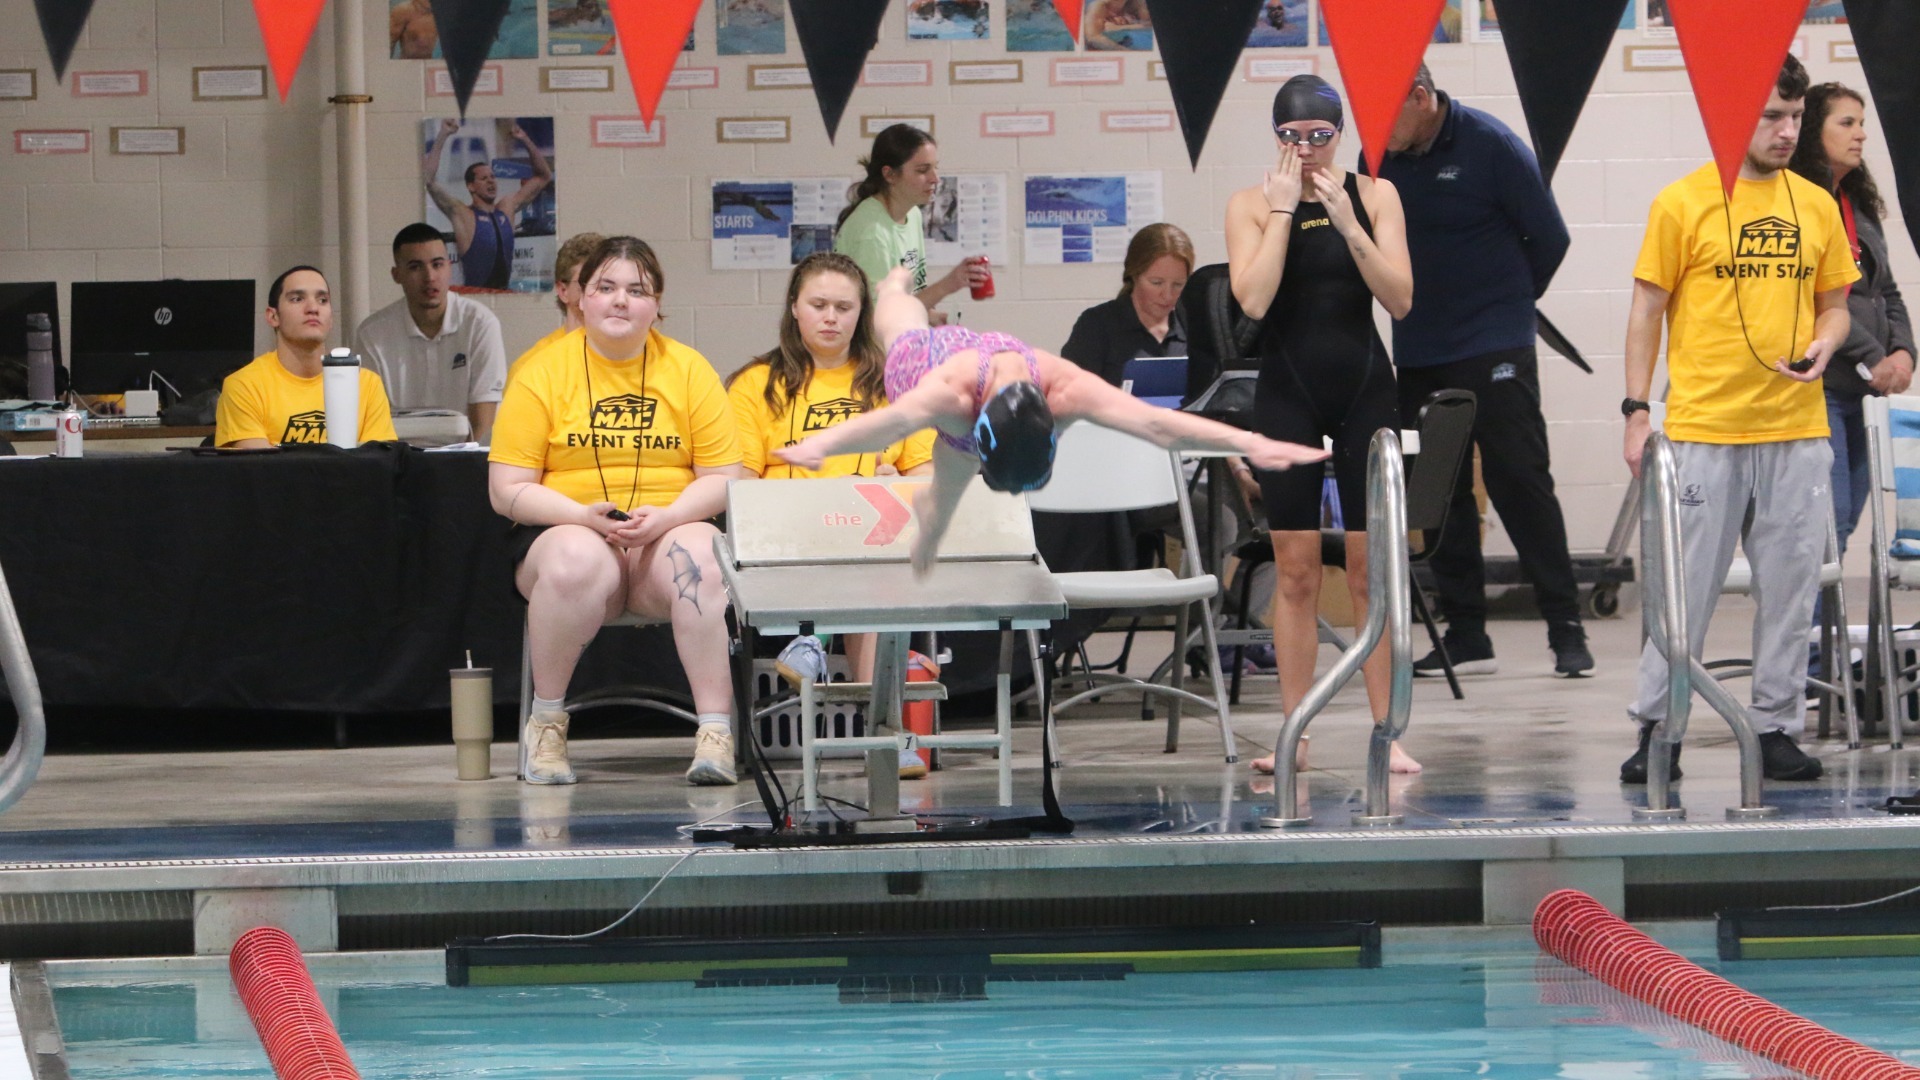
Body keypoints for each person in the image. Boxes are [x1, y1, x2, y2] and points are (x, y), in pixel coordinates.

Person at [1619, 55, 1855, 784]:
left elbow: (1837, 304)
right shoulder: (1682, 203)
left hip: (1796, 428)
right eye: (1771, 118)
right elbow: (1645, 312)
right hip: (1704, 430)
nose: (1787, 132)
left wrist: (1828, 341)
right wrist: (1635, 409)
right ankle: (1663, 725)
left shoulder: (1815, 205)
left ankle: (1775, 724)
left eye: (1794, 118)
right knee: (1681, 590)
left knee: (1788, 589)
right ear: (1732, 116)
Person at [775, 266, 1329, 577]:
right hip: (930, 364)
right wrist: (821, 445)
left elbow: (1161, 427)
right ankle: (893, 282)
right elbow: (888, 425)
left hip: (982, 419)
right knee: (898, 317)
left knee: (946, 487)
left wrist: (1253, 442)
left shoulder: (1064, 390)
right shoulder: (947, 393)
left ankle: (933, 523)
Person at [488, 236, 744, 787]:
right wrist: (580, 517)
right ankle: (547, 726)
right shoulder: (539, 371)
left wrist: (670, 516)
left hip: (664, 538)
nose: (621, 301)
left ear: (657, 304)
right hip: (570, 533)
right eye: (606, 287)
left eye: (637, 290)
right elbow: (505, 489)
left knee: (704, 556)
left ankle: (715, 733)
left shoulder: (690, 369)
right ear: (580, 298)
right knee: (575, 558)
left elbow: (726, 479)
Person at [1224, 76, 1419, 776]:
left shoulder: (1375, 195)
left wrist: (1347, 223)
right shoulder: (1250, 204)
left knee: (1371, 573)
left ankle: (1386, 732)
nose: (1305, 149)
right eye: (1290, 137)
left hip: (1365, 389)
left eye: (1319, 136)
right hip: (1288, 396)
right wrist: (1282, 214)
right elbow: (1251, 299)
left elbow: (1399, 299)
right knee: (1298, 573)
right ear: (1275, 136)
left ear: (1339, 134)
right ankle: (1295, 732)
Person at [1376, 64, 1591, 679]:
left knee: (1520, 482)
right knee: (1438, 495)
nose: (1376, 132)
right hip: (1420, 346)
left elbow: (1550, 238)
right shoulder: (1380, 156)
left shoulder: (1490, 144)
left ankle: (1565, 628)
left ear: (1421, 97)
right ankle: (1467, 633)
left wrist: (1508, 306)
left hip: (1494, 343)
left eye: (1386, 115)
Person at [729, 253, 938, 778]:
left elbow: (931, 474)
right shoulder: (754, 385)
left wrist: (901, 483)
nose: (830, 317)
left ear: (862, 313)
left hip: (872, 537)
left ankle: (821, 652)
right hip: (788, 541)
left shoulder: (896, 382)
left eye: (844, 307)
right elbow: (741, 487)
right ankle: (887, 732)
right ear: (794, 309)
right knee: (870, 570)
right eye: (818, 304)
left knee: (877, 566)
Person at [1788, 82, 1914, 555]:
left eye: (1862, 123)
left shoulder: (1856, 207)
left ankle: (1824, 629)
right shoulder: (1798, 202)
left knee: (1847, 521)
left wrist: (1903, 354)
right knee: (1829, 520)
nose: (1861, 134)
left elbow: (1887, 292)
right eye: (1847, 123)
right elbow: (1816, 300)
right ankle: (1815, 630)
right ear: (1812, 132)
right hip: (1824, 388)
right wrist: (1874, 356)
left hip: (1868, 388)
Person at [353, 223, 507, 444]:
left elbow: (483, 423)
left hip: (462, 460)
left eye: (437, 264)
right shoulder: (372, 335)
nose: (430, 277)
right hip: (397, 460)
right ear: (397, 275)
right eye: (416, 267)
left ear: (450, 267)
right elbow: (369, 422)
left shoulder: (481, 324)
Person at [215, 266, 398, 449]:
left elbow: (377, 466)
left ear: (331, 318)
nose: (313, 308)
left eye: (322, 300)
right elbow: (261, 469)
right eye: (297, 299)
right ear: (273, 316)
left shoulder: (368, 384)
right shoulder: (243, 386)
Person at [832, 124, 987, 319]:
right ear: (889, 175)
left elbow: (907, 297)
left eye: (935, 168)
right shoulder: (872, 234)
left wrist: (930, 317)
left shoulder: (912, 214)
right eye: (923, 170)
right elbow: (882, 317)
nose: (935, 179)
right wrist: (948, 284)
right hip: (869, 347)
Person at [424, 120, 553, 291]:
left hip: (505, 293)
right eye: (484, 179)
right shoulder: (462, 214)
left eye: (493, 177)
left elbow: (544, 176)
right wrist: (442, 135)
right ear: (471, 186)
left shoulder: (506, 209)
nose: (491, 181)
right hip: (477, 295)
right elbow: (428, 180)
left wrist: (525, 139)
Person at [1062, 223, 1193, 387]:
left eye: (1178, 284)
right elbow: (1071, 394)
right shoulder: (1097, 325)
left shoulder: (1193, 327)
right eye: (1156, 283)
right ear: (1134, 275)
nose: (1167, 295)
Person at [511, 231, 606, 378]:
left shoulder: (635, 358)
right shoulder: (532, 367)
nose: (599, 295)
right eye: (586, 284)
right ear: (563, 291)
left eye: (607, 286)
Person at [1083, 0, 1152, 49]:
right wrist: (1127, 52)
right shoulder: (1098, 6)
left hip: (1125, 41)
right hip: (1099, 48)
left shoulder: (1135, 4)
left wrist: (1121, 27)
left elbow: (1152, 25)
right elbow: (1092, 37)